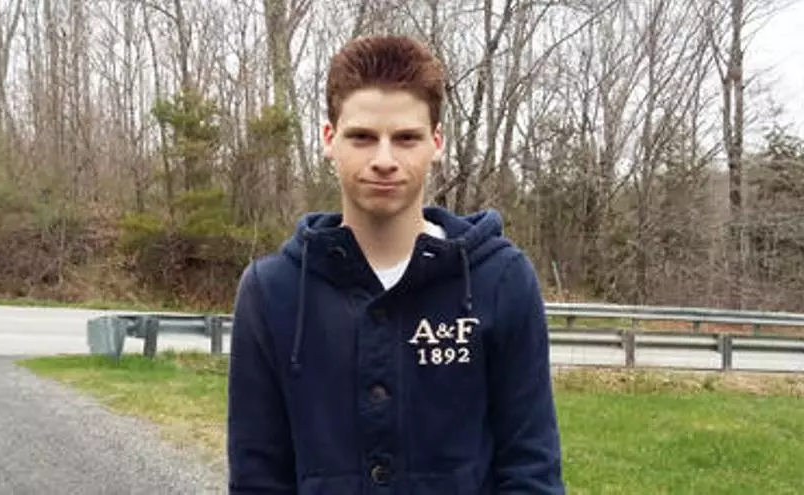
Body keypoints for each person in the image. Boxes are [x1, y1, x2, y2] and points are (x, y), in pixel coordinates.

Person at [227, 34, 565, 494]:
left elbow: (531, 469)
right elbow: (257, 477)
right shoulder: (271, 292)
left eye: (406, 138)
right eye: (362, 137)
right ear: (329, 139)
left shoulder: (502, 280)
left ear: (436, 142)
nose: (384, 160)